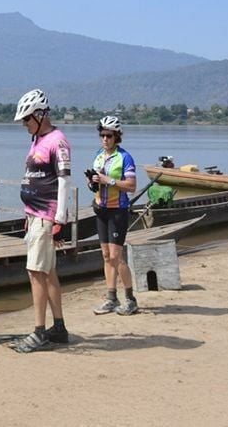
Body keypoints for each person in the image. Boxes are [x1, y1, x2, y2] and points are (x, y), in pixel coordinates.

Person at [12, 89, 72, 353]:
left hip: (47, 216)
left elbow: (63, 180)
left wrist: (59, 219)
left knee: (35, 272)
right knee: (47, 272)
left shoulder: (57, 141)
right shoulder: (37, 139)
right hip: (35, 214)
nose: (24, 124)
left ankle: (38, 331)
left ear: (39, 114)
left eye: (27, 119)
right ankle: (58, 327)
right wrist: (29, 212)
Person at [87, 115, 138, 316]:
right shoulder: (99, 155)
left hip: (118, 211)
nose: (105, 139)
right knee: (106, 256)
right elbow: (96, 182)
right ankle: (111, 298)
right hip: (101, 210)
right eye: (102, 135)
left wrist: (109, 180)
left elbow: (132, 186)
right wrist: (93, 183)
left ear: (117, 137)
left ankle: (131, 299)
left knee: (117, 257)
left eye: (109, 136)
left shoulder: (124, 157)